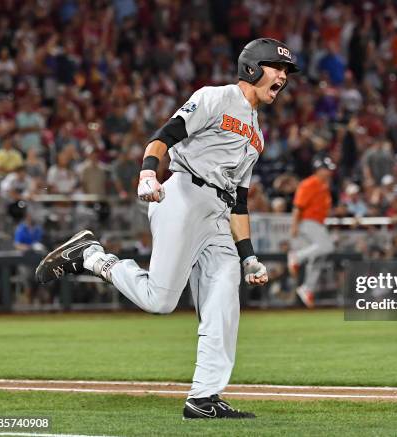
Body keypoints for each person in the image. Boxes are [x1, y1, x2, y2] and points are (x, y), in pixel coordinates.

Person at [35, 38, 300, 419]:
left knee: (224, 301)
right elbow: (165, 134)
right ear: (253, 67)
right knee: (160, 301)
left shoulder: (258, 134)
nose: (283, 76)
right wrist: (146, 172)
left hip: (219, 215)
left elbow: (239, 199)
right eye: (277, 67)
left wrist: (249, 256)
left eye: (287, 71)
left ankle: (204, 397)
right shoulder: (215, 97)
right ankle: (93, 257)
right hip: (184, 195)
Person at [287, 155, 335, 308]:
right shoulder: (309, 184)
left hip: (318, 223)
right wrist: (294, 225)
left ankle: (307, 288)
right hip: (308, 222)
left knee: (319, 257)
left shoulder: (324, 186)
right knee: (327, 247)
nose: (329, 172)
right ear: (319, 169)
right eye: (326, 169)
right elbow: (297, 207)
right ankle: (296, 257)